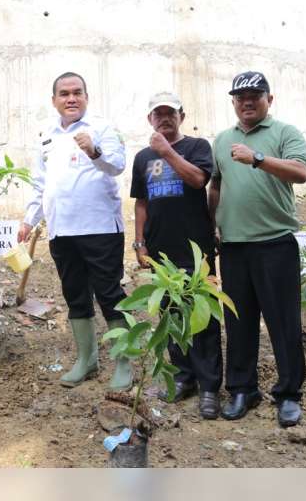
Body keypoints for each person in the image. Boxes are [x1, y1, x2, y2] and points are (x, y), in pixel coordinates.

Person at [209, 71, 306, 428]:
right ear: (233, 102)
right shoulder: (222, 140)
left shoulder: (285, 133)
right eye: (240, 97)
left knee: (283, 323)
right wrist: (213, 225)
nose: (247, 101)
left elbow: (300, 173)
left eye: (255, 95)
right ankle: (242, 389)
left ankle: (288, 394)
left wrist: (258, 158)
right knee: (239, 322)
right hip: (235, 247)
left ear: (270, 98)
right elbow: (216, 186)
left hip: (274, 243)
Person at [18, 72, 130, 391]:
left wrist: (94, 151)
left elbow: (118, 165)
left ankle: (123, 361)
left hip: (99, 228)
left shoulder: (102, 128)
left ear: (86, 96)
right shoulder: (47, 136)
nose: (71, 98)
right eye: (64, 93)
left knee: (109, 294)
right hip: (61, 230)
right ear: (54, 100)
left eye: (77, 92)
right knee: (75, 295)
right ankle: (87, 360)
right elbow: (40, 183)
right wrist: (28, 220)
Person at [130, 92, 222, 419]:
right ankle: (184, 377)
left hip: (196, 250)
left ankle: (210, 386)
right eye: (159, 114)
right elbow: (141, 202)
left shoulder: (198, 148)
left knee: (203, 317)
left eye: (171, 113)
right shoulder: (142, 158)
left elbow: (198, 180)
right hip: (160, 253)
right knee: (171, 317)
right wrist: (139, 242)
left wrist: (167, 152)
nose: (165, 118)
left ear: (182, 116)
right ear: (149, 119)